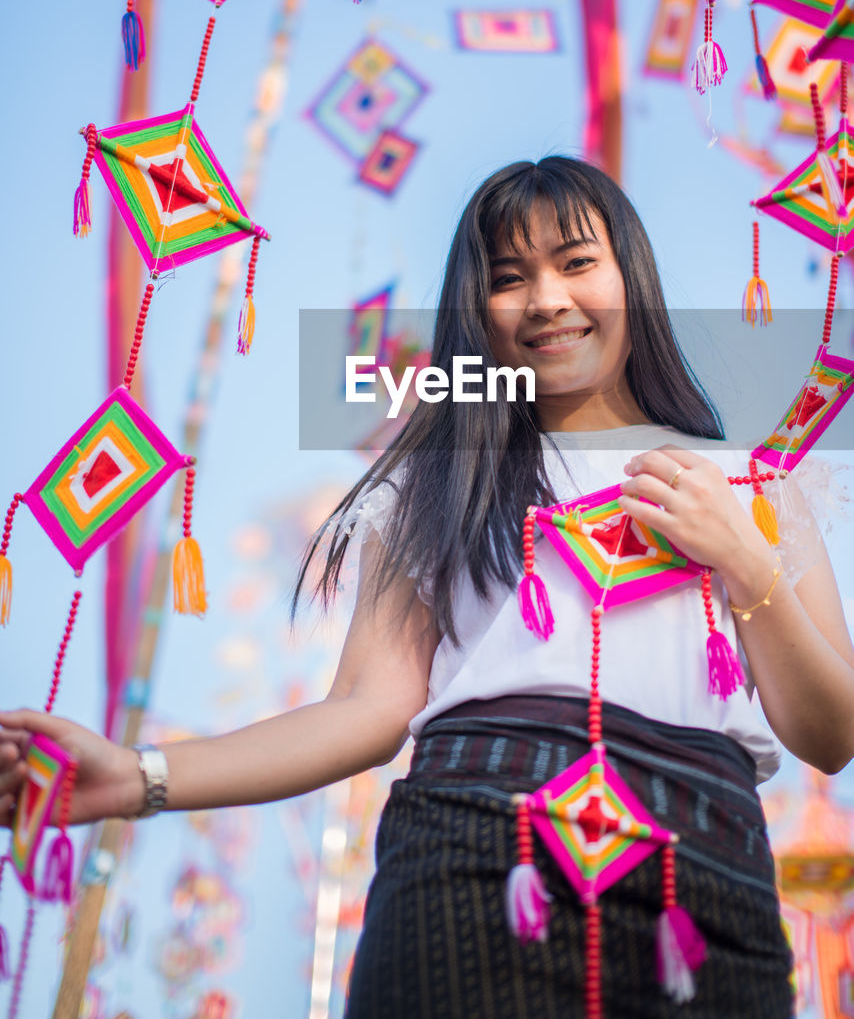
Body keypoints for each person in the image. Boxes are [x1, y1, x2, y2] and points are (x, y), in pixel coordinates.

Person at [2, 157, 853, 1018]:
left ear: (633, 272)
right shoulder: (435, 484)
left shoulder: (755, 485)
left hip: (707, 884)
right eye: (508, 278)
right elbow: (363, 712)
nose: (546, 299)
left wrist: (745, 562)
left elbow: (834, 733)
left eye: (577, 262)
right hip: (470, 860)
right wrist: (139, 776)